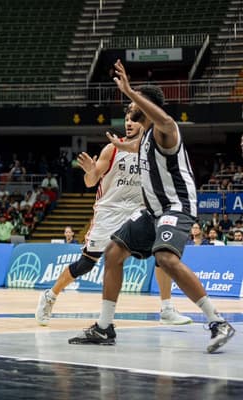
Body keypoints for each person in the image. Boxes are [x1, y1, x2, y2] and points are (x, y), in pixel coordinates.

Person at [68, 60, 235, 353]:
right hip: (153, 211)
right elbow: (133, 147)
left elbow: (163, 122)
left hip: (176, 207)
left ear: (146, 110)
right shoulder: (144, 141)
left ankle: (218, 321)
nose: (129, 119)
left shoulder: (167, 130)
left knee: (166, 258)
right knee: (113, 253)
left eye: (135, 113)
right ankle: (104, 328)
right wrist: (110, 153)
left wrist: (131, 90)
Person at [37, 109, 191, 327]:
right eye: (127, 120)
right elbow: (91, 182)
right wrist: (91, 171)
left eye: (134, 120)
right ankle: (50, 296)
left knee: (161, 251)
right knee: (85, 264)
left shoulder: (150, 148)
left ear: (144, 122)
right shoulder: (112, 148)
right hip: (109, 211)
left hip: (137, 211)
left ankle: (166, 308)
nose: (129, 123)